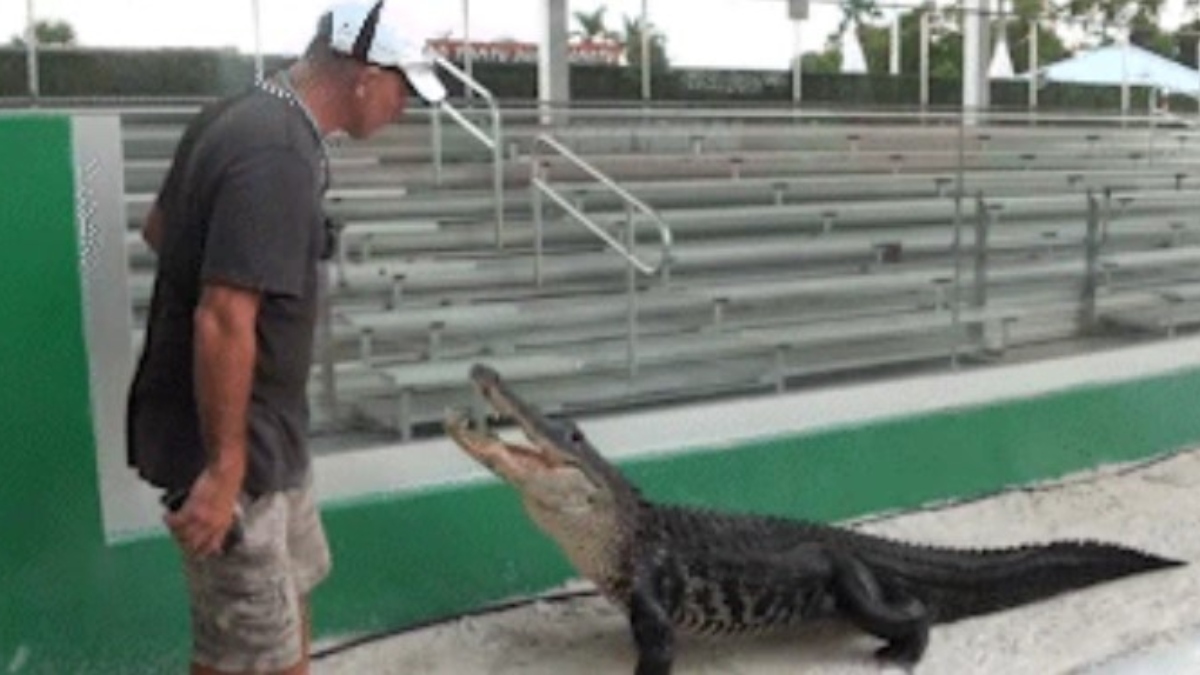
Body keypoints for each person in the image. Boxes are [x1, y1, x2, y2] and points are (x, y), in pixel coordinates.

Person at [125, 2, 445, 673]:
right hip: (235, 450)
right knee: (248, 654)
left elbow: (160, 230)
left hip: (268, 435)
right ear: (363, 74)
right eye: (403, 89)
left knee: (285, 611)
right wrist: (223, 468)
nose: (404, 108)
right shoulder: (274, 153)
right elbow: (222, 316)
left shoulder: (241, 116)